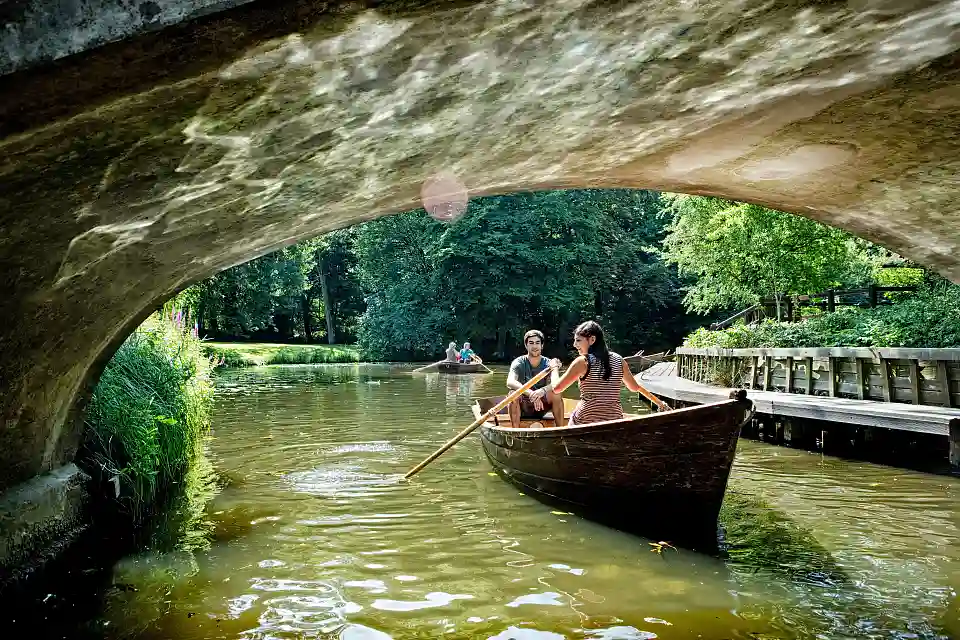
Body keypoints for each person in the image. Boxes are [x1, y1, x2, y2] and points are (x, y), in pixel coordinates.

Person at [547, 320, 645, 425]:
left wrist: (554, 369)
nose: (574, 345)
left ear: (592, 339)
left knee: (573, 416)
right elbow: (634, 388)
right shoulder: (619, 359)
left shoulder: (582, 361)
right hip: (615, 420)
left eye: (578, 340)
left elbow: (557, 389)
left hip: (585, 420)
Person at [506, 329, 565, 428]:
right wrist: (531, 394)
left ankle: (561, 430)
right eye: (531, 343)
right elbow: (510, 382)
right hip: (524, 405)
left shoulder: (550, 363)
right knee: (513, 394)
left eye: (537, 343)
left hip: (543, 405)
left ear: (542, 345)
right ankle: (515, 432)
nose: (534, 346)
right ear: (526, 345)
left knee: (557, 393)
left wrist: (542, 391)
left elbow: (556, 383)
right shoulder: (519, 362)